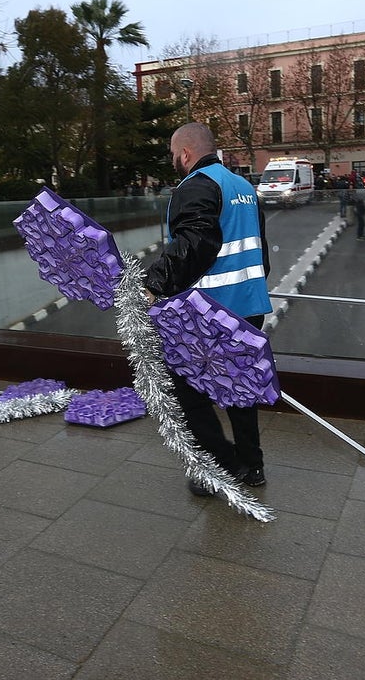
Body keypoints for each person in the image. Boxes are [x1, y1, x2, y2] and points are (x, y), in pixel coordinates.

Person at [142, 123, 271, 495]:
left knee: (183, 385)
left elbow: (194, 244)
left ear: (185, 154)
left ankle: (220, 465)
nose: (173, 160)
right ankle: (252, 465)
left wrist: (154, 285)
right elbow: (260, 253)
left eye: (172, 153)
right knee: (240, 388)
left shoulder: (195, 186)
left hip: (211, 313)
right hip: (249, 306)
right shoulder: (243, 187)